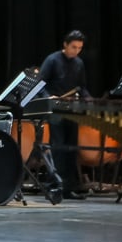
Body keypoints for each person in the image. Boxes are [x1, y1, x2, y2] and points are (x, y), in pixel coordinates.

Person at [38, 29, 92, 200]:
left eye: (80, 48)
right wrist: (49, 97)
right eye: (74, 47)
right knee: (58, 147)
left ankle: (68, 188)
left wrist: (87, 97)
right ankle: (54, 186)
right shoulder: (52, 60)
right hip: (55, 109)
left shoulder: (79, 63)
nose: (76, 51)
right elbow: (40, 84)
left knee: (71, 148)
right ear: (65, 45)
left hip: (71, 109)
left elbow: (81, 87)